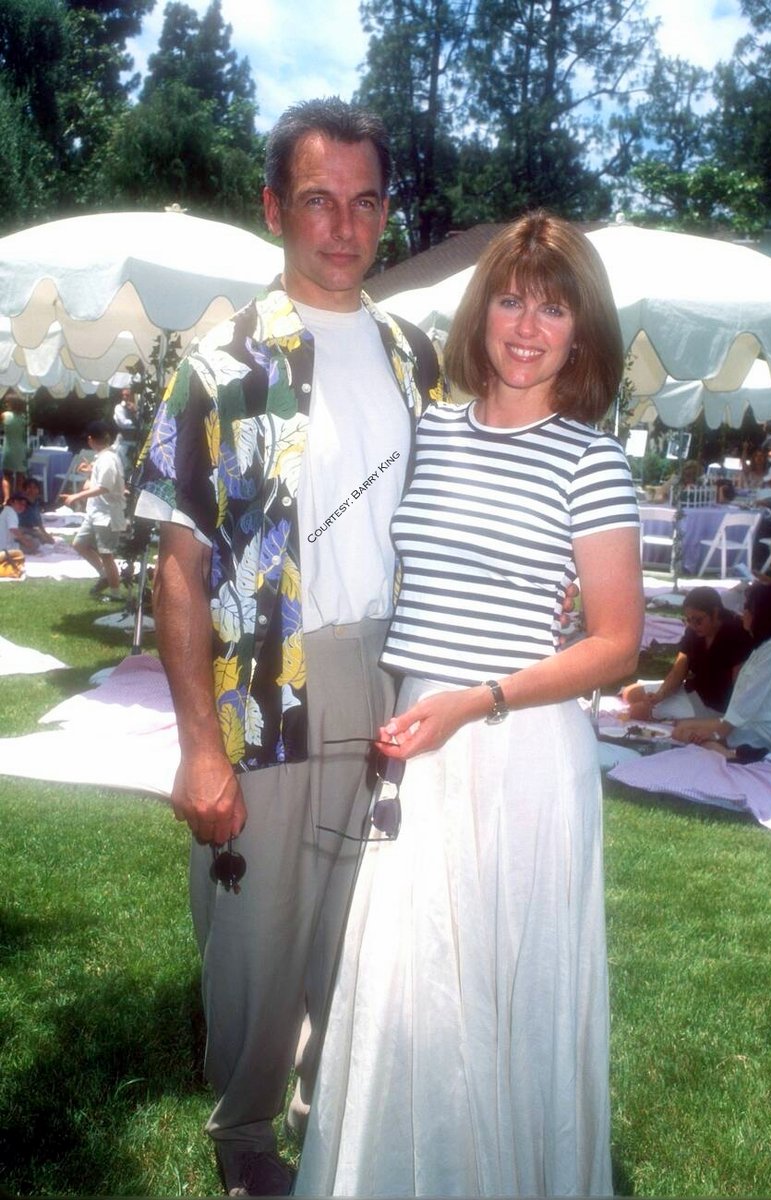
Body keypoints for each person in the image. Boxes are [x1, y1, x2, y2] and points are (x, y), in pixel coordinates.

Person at [133, 98, 447, 1197]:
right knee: (256, 940)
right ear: (275, 208)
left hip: (397, 680)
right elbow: (179, 565)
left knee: (369, 930)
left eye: (364, 201)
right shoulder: (217, 363)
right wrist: (198, 747)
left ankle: (341, 1117)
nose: (342, 226)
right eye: (317, 200)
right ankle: (246, 1142)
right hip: (268, 685)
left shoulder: (422, 361)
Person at [295, 211, 644, 1197]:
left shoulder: (591, 461)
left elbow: (618, 643)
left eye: (553, 307)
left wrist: (475, 700)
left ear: (582, 332)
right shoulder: (429, 434)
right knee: (409, 996)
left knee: (507, 995)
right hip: (420, 743)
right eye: (510, 298)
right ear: (479, 310)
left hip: (521, 755)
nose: (527, 327)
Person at [672, 582, 771, 758]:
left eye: (747, 609)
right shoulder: (765, 647)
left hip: (768, 733)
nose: (743, 614)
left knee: (685, 732)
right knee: (682, 729)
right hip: (749, 724)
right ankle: (731, 753)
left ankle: (733, 757)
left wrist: (718, 733)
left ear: (763, 616)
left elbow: (750, 697)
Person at [621, 586, 751, 722]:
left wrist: (728, 722)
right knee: (630, 693)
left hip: (714, 706)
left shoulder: (736, 633)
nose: (693, 625)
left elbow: (740, 684)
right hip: (693, 690)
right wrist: (660, 695)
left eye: (698, 620)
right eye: (689, 620)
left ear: (715, 612)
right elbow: (680, 668)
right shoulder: (693, 632)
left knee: (636, 711)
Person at [60, 420, 127, 600]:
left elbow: (104, 487)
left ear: (90, 440)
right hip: (96, 512)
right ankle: (104, 576)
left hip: (107, 514)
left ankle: (115, 593)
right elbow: (102, 482)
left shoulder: (107, 459)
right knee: (79, 544)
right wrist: (89, 472)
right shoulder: (103, 458)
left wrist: (76, 497)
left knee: (107, 554)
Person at [16, 477, 56, 553]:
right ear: (24, 490)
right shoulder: (21, 502)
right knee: (34, 544)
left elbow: (38, 522)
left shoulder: (36, 502)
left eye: (34, 488)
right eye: (29, 487)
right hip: (20, 530)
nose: (32, 490)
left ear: (38, 490)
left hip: (31, 529)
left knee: (48, 540)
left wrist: (46, 534)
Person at [1, 394, 28, 503]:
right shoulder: (24, 418)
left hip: (9, 449)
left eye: (7, 402)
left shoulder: (4, 415)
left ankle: (7, 498)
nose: (6, 404)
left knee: (7, 476)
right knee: (20, 476)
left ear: (12, 403)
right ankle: (18, 499)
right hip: (21, 450)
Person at [112, 385, 140, 472]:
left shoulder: (139, 408)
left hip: (136, 442)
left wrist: (135, 412)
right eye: (123, 395)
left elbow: (143, 423)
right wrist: (136, 422)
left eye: (127, 395)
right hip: (123, 442)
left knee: (134, 466)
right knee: (121, 466)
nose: (124, 397)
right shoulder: (119, 408)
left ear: (132, 396)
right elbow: (123, 423)